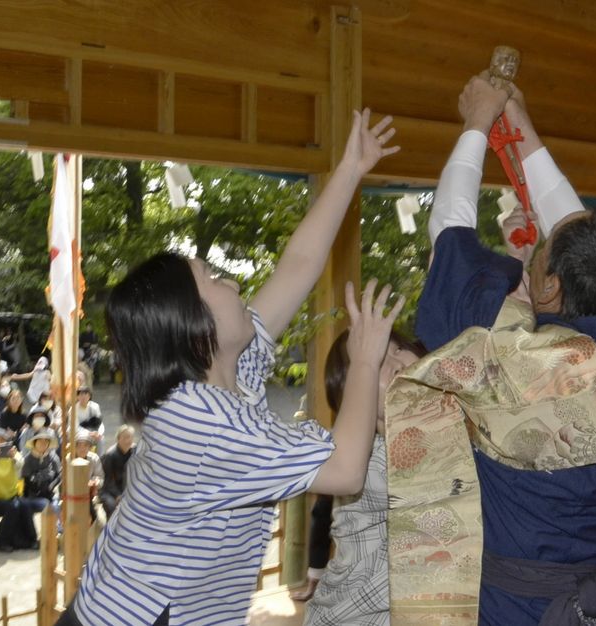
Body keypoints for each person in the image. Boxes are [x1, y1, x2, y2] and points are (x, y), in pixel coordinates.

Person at [383, 77, 596, 625]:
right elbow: (591, 245)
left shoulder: (501, 349)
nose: (527, 263)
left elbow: (449, 233)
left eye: (536, 262)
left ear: (552, 287)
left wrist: (475, 124)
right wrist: (523, 129)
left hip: (513, 609)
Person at [64, 108, 402, 626]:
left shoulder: (229, 369)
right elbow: (345, 468)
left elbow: (299, 265)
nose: (235, 284)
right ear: (195, 326)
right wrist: (364, 359)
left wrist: (351, 169)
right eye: (215, 278)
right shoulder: (200, 421)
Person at [304, 330, 425, 626]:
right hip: (353, 615)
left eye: (398, 349)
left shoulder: (425, 433)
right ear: (353, 395)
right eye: (376, 363)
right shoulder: (372, 457)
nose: (397, 363)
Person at [0, 429, 37, 551]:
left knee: (26, 506)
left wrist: (13, 458)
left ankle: (32, 539)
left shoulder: (13, 455)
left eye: (3, 442)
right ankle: (2, 542)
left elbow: (20, 465)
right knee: (13, 508)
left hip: (12, 496)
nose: (0, 445)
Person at [98, 424, 134, 520]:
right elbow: (108, 480)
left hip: (125, 489)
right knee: (112, 507)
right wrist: (118, 495)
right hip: (108, 491)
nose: (128, 441)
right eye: (125, 438)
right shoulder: (110, 455)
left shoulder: (134, 453)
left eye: (130, 437)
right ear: (118, 439)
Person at [21, 428, 61, 512]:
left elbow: (58, 475)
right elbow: (27, 481)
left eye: (46, 441)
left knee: (58, 505)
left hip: (50, 494)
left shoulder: (53, 458)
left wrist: (51, 486)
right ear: (35, 443)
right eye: (40, 441)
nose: (43, 444)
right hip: (33, 496)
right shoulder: (28, 459)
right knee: (46, 505)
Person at [73, 429, 104, 522]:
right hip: (72, 493)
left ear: (90, 447)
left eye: (85, 445)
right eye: (79, 445)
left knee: (92, 515)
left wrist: (95, 482)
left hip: (88, 493)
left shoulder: (94, 458)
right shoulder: (69, 458)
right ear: (75, 447)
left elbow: (100, 477)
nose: (82, 448)